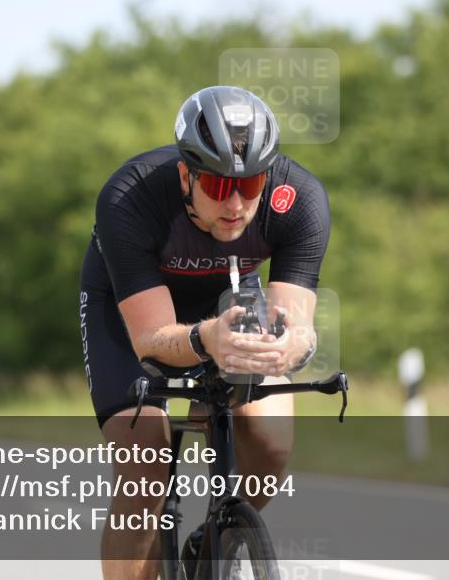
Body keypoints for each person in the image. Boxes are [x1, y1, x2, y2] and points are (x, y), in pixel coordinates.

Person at [79, 85, 330, 580]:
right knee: (144, 462)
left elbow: (297, 324)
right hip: (133, 309)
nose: (236, 203)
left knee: (272, 439)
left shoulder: (298, 199)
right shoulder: (130, 196)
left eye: (250, 184)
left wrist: (291, 345)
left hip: (228, 302)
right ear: (184, 174)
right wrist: (203, 341)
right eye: (217, 187)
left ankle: (214, 536)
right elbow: (151, 340)